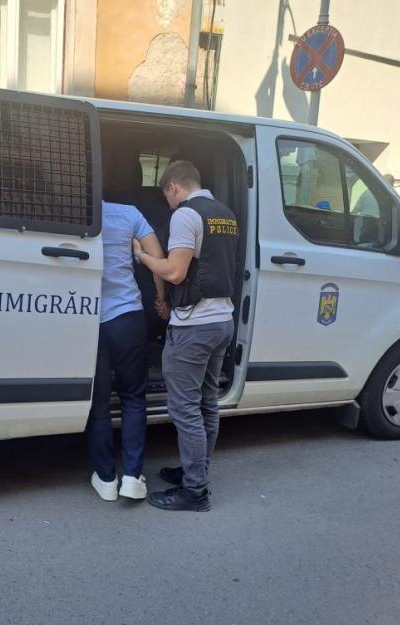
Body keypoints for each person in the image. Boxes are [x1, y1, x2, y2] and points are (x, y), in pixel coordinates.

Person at [132, 160, 238, 512]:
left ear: (173, 187)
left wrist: (142, 257)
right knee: (207, 403)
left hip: (194, 326)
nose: (169, 204)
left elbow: (175, 272)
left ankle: (195, 491)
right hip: (222, 321)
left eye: (167, 197)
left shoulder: (185, 215)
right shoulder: (225, 214)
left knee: (185, 409)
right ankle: (197, 473)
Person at [86, 199, 166, 502]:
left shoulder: (79, 210)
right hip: (127, 316)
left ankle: (106, 478)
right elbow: (157, 256)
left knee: (99, 402)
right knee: (133, 397)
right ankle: (132, 477)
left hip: (88, 318)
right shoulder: (130, 213)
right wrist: (161, 299)